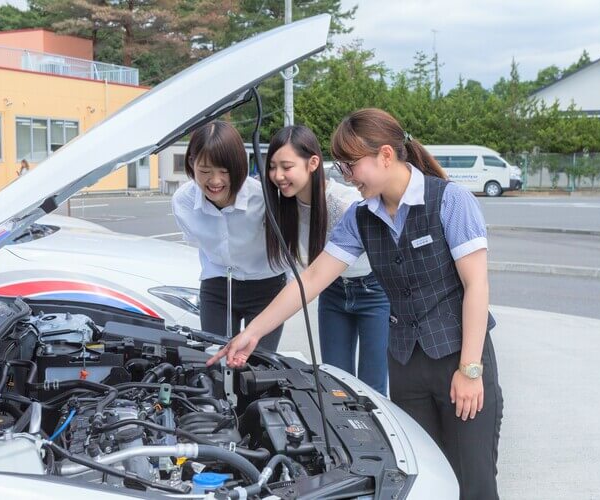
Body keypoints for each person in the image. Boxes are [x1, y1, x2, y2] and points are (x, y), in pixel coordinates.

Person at [208, 108, 503, 500]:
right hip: (405, 365)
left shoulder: (450, 201)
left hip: (460, 356)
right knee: (424, 483)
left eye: (350, 165)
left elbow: (476, 285)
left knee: (474, 485)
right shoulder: (362, 217)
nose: (346, 176)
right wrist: (253, 333)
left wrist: (470, 369)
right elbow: (312, 278)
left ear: (384, 155)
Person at [264, 125, 390, 394]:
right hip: (332, 292)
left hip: (374, 291)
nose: (278, 175)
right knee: (335, 383)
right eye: (272, 167)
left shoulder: (346, 203)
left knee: (373, 386)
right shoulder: (282, 207)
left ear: (313, 163)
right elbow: (304, 275)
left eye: (286, 166)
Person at [172, 120, 286, 350]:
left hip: (266, 287)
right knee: (216, 360)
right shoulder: (182, 202)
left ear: (239, 166)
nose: (215, 181)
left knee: (259, 367)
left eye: (225, 172)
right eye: (205, 171)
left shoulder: (264, 198)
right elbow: (197, 242)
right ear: (192, 163)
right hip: (217, 287)